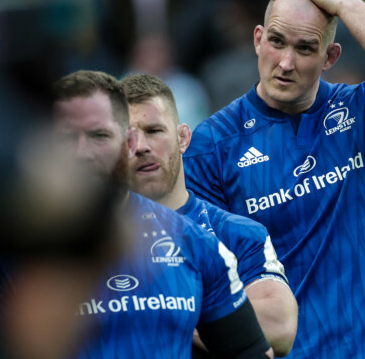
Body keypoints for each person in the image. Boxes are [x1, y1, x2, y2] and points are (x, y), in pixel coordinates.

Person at [183, 0, 365, 358]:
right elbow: (200, 287)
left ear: (330, 57)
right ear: (258, 40)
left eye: (306, 48)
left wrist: (347, 3)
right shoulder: (212, 148)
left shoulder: (358, 109)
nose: (286, 62)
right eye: (276, 42)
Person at [50, 70, 275, 358]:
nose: (82, 152)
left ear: (126, 143)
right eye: (66, 138)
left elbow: (252, 351)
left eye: (99, 135)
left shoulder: (196, 242)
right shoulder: (8, 254)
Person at [121, 73, 299, 356]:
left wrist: (152, 310)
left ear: (183, 138)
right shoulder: (92, 244)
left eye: (154, 130)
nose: (141, 146)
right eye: (128, 137)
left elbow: (279, 326)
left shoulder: (239, 234)